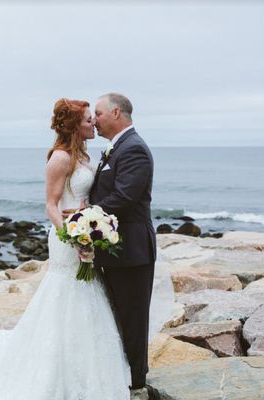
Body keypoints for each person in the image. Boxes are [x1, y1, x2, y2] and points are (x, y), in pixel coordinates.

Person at [0, 98, 131, 399]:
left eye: (93, 118)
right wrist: (71, 236)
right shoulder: (60, 158)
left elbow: (84, 194)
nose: (93, 123)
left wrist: (89, 225)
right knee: (65, 294)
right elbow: (50, 204)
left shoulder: (84, 155)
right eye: (88, 119)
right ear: (75, 125)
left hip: (83, 231)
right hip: (67, 238)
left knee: (86, 295)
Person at [89, 93, 157, 399]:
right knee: (115, 315)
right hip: (116, 248)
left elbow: (124, 198)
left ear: (116, 113)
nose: (94, 119)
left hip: (132, 251)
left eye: (99, 113)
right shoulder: (116, 148)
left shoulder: (134, 149)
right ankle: (122, 374)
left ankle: (136, 383)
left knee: (133, 317)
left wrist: (83, 218)